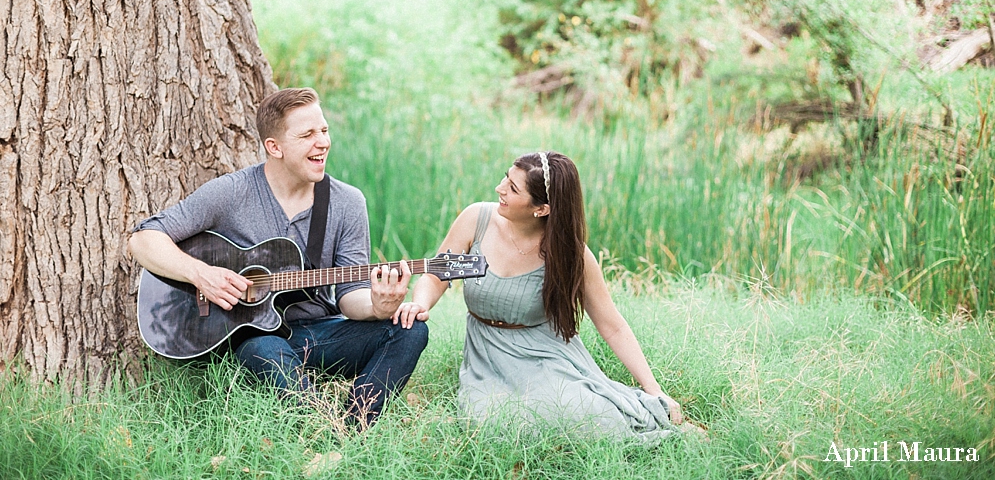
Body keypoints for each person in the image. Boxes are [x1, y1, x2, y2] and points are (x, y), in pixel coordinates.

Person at [129, 87, 428, 428]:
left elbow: (350, 297)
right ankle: (318, 427)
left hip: (317, 333)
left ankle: (352, 428)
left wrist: (379, 306)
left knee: (410, 331)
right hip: (254, 340)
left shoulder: (347, 203)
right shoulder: (232, 192)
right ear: (275, 147)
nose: (323, 143)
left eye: (324, 130)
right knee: (265, 349)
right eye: (307, 135)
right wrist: (200, 274)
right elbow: (143, 239)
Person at [393, 151, 689, 444]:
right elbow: (437, 274)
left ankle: (659, 419)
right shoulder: (477, 219)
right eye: (505, 179)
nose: (500, 189)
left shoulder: (569, 253)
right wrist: (420, 303)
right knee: (494, 423)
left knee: (589, 416)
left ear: (542, 209)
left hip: (545, 355)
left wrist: (653, 387)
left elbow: (612, 325)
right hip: (488, 354)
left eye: (512, 188)